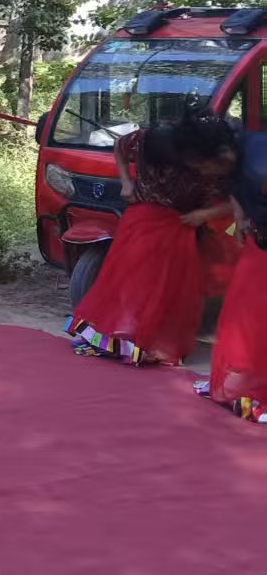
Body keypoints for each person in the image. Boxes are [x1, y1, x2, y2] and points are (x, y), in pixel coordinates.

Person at [66, 113, 239, 366]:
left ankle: (153, 341)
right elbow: (120, 145)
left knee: (167, 286)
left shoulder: (208, 158)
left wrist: (205, 215)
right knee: (129, 282)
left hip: (180, 225)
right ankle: (128, 337)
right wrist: (126, 182)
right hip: (142, 219)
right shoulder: (150, 138)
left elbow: (238, 201)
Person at [196, 129, 267, 423]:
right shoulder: (240, 148)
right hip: (258, 243)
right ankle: (244, 380)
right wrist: (240, 218)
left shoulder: (259, 164)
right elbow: (237, 189)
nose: (205, 173)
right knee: (243, 311)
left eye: (205, 166)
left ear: (222, 156)